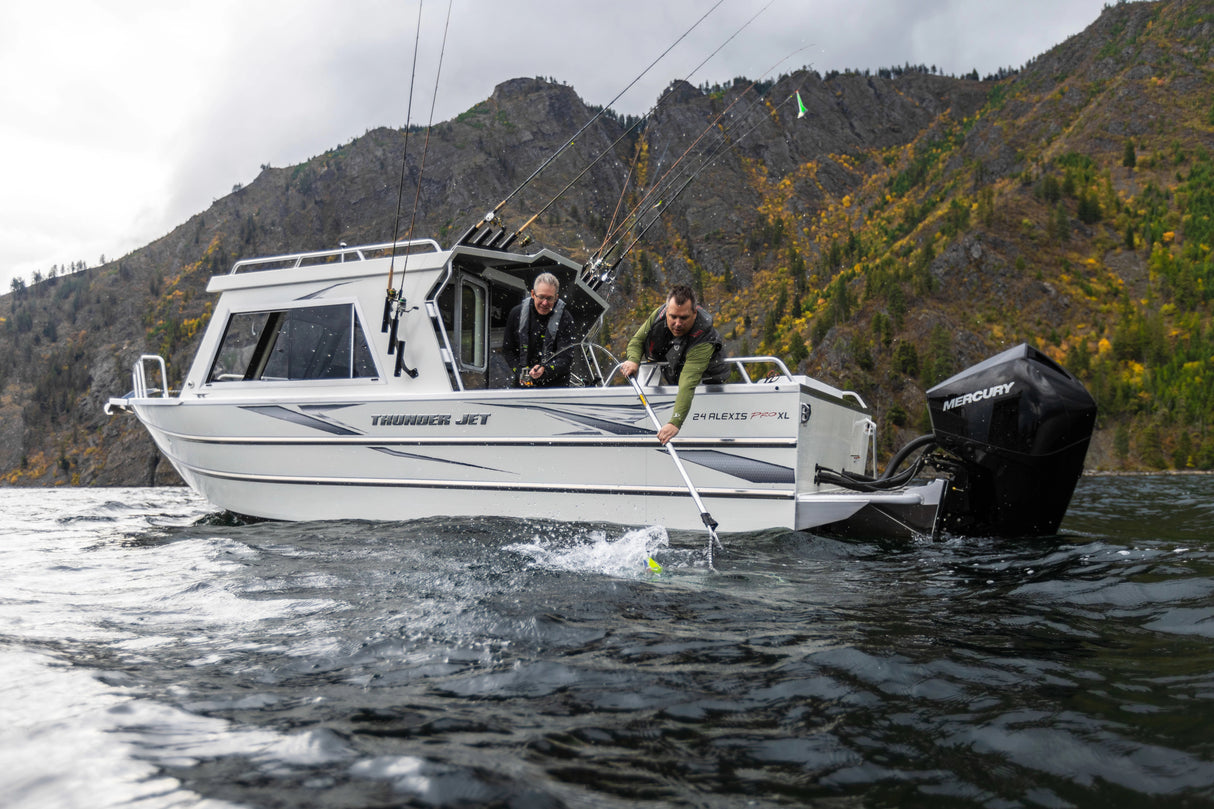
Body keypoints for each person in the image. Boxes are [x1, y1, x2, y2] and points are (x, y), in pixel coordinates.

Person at [620, 284, 728, 444]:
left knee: (687, 385)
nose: (677, 323)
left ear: (694, 313)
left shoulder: (704, 338)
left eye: (683, 318)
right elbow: (637, 340)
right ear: (667, 311)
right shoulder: (659, 315)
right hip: (672, 368)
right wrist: (633, 360)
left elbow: (688, 382)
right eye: (673, 317)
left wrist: (675, 422)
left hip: (709, 383)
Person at [502, 272, 577, 387]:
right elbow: (508, 350)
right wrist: (520, 371)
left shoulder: (565, 319)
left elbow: (566, 358)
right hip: (523, 385)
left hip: (556, 386)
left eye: (550, 298)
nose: (545, 303)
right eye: (541, 297)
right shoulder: (516, 314)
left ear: (556, 297)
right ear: (533, 294)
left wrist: (545, 369)